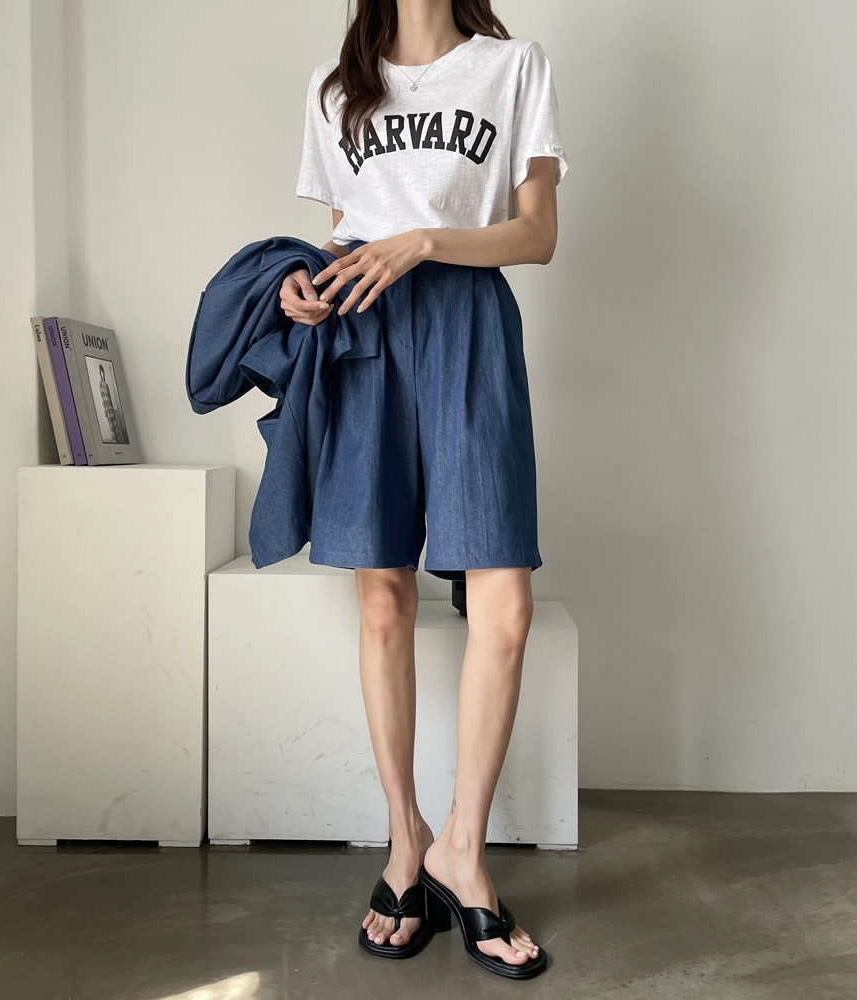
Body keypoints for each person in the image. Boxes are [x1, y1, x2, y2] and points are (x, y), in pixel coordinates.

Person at [280, 0, 566, 981]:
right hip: (363, 333)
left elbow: (537, 236)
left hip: (470, 324)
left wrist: (426, 241)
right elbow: (343, 240)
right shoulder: (335, 90)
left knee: (505, 605)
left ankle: (463, 850)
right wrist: (305, 285)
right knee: (383, 600)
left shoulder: (513, 67)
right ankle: (406, 841)